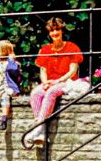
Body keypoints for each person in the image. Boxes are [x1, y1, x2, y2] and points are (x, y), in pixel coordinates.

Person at [27, 17, 88, 147]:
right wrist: (45, 82)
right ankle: (41, 131)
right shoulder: (45, 50)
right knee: (35, 93)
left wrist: (57, 81)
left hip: (67, 81)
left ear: (62, 31)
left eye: (57, 30)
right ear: (49, 33)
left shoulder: (72, 47)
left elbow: (72, 71)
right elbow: (42, 71)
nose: (55, 33)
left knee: (51, 93)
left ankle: (38, 128)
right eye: (52, 31)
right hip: (49, 81)